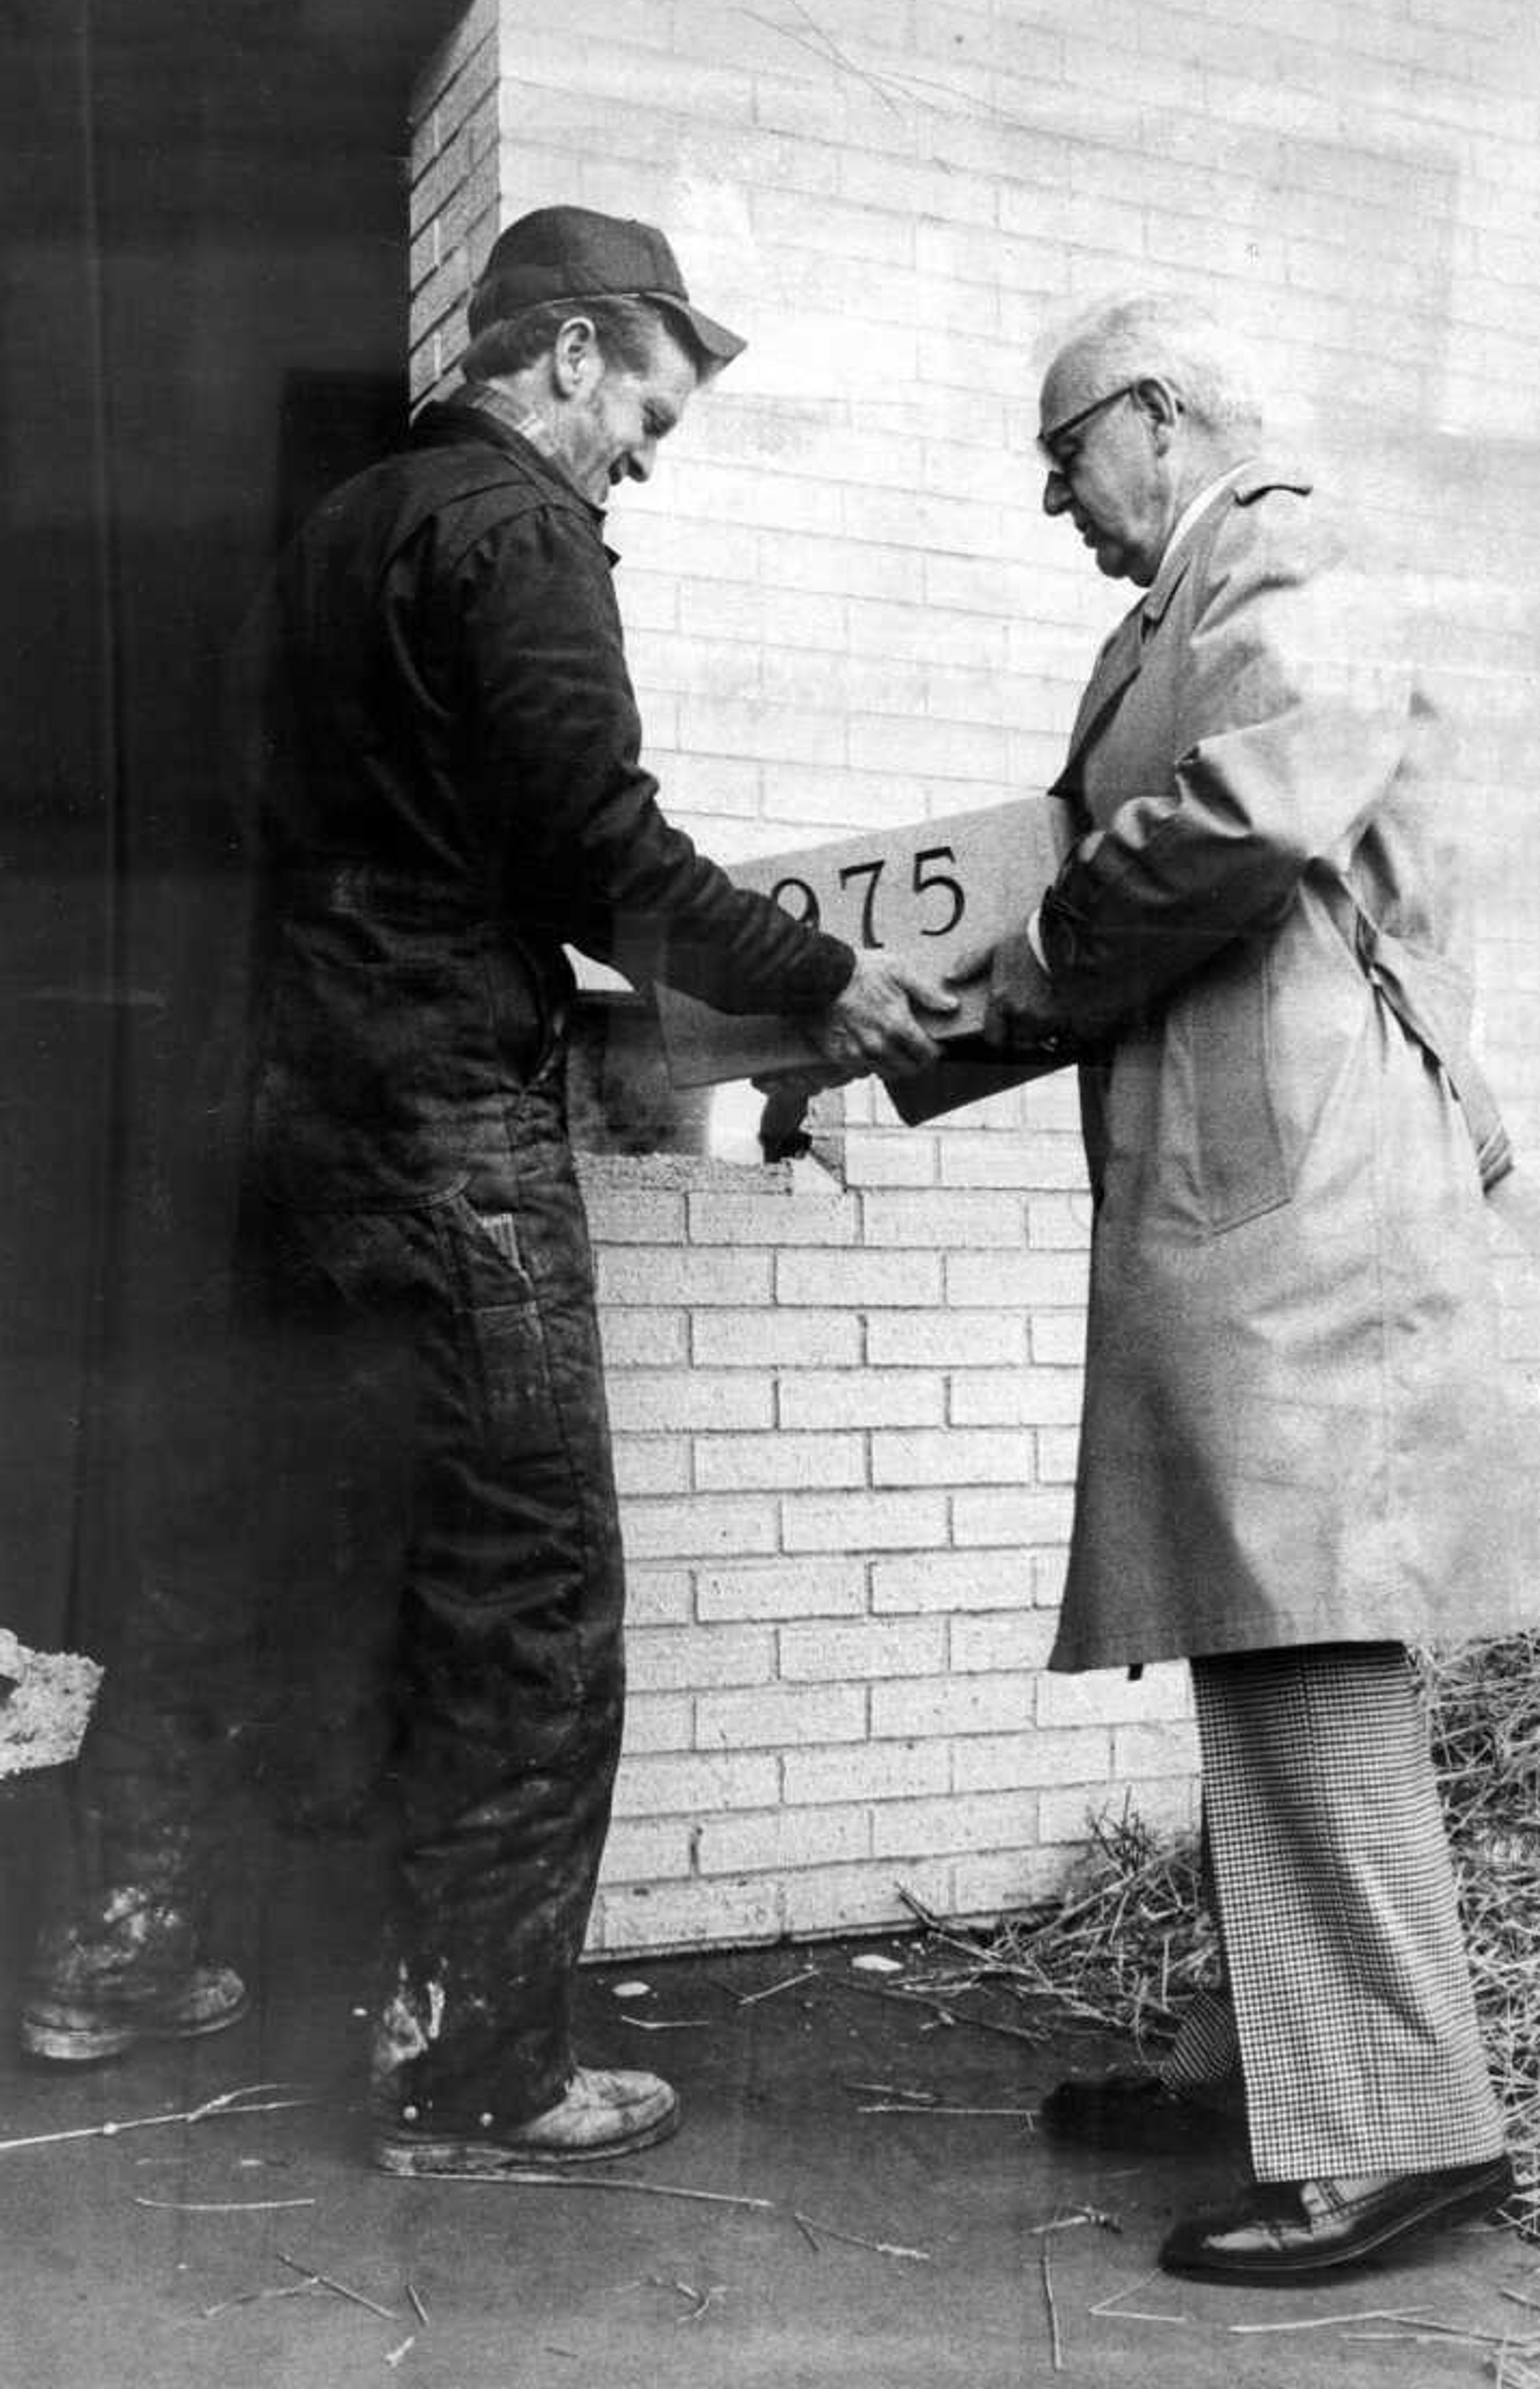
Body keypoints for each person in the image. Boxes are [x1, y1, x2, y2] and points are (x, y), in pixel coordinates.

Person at [22, 205, 950, 2177]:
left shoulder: (330, 542)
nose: (642, 460)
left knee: (240, 1538)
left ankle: (107, 1949)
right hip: (438, 1117)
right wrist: (817, 976)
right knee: (528, 1578)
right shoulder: (518, 534)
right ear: (571, 354)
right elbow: (590, 845)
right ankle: (481, 2071)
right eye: (649, 418)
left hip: (268, 1113)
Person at [953, 292, 1536, 2283]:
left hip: (1313, 1199)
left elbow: (1244, 813)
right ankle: (1285, 2063)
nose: (1057, 503)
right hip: (1254, 1188)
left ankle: (1407, 2132)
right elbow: (1093, 871)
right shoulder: (1175, 605)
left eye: (1066, 457)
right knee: (1256, 1629)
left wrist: (1011, 968)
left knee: (1306, 1636)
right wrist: (906, 1026)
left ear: (1163, 414)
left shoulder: (1281, 547)